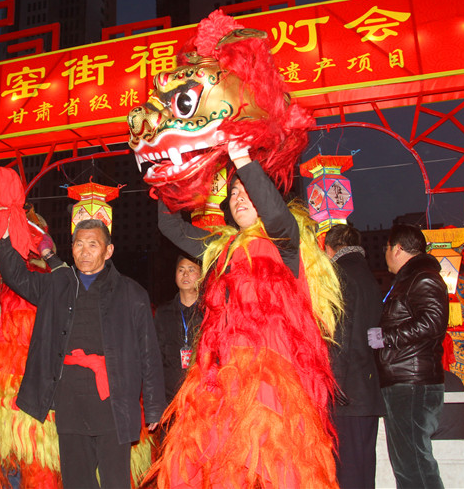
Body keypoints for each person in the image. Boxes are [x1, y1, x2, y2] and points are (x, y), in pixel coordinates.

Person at [150, 144, 337, 487]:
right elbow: (171, 228)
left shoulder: (286, 241)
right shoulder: (221, 249)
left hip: (274, 387)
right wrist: (171, 177)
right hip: (226, 384)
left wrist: (241, 158)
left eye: (248, 191)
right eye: (234, 192)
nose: (238, 198)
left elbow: (277, 214)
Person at [0, 217, 165, 488]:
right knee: (77, 482)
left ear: (108, 251)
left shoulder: (132, 293)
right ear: (71, 248)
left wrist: (154, 406)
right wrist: (2, 238)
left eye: (93, 245)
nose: (84, 252)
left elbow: (149, 354)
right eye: (79, 244)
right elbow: (17, 277)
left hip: (113, 400)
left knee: (115, 482)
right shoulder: (56, 286)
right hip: (70, 401)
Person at [368, 224, 449, 488]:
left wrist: (384, 337)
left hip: (412, 383)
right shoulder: (409, 280)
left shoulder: (422, 278)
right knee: (407, 465)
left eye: (387, 248)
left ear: (397, 248)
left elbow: (433, 322)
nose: (386, 254)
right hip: (404, 380)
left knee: (414, 464)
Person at [324, 224, 385, 489]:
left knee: (347, 471)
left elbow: (340, 335)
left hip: (347, 392)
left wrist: (333, 385)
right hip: (366, 388)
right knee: (363, 470)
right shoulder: (367, 275)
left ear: (329, 248)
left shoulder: (341, 274)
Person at [154, 255, 202, 405]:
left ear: (201, 276)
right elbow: (156, 357)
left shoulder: (210, 312)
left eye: (191, 270)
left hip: (203, 398)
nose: (185, 274)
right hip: (170, 399)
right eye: (181, 270)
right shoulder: (163, 313)